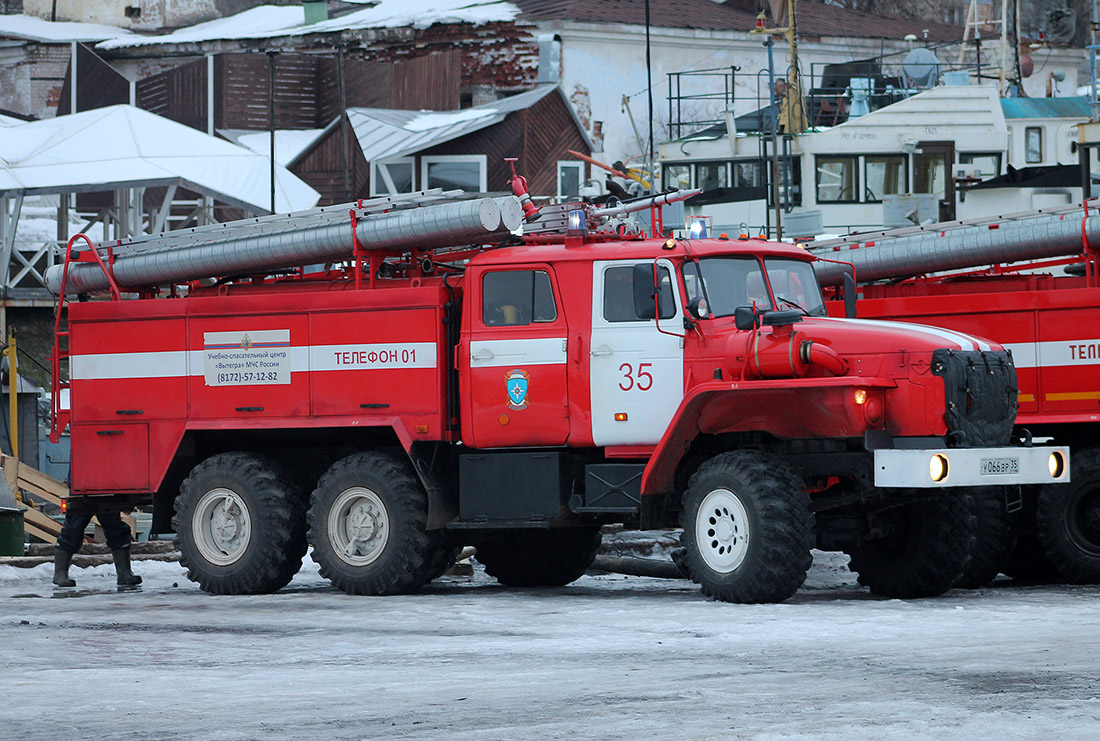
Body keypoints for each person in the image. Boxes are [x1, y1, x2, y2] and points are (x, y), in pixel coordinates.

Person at [53, 511, 142, 587]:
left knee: (115, 526)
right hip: (83, 494)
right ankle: (60, 573)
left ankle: (124, 573)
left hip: (106, 494)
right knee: (74, 528)